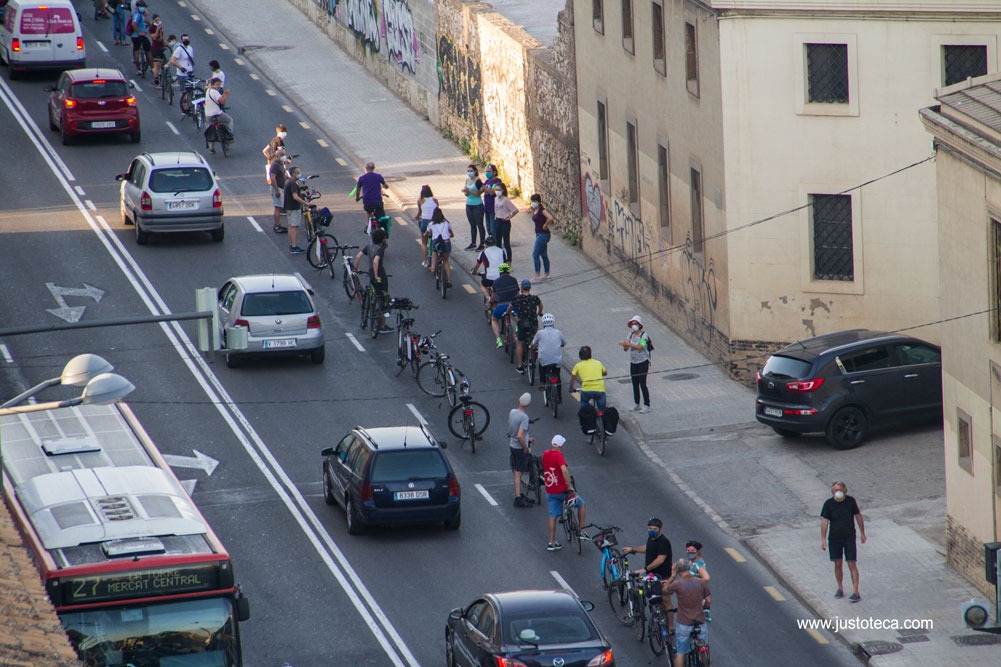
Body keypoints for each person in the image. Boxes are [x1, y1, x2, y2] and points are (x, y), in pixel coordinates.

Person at [820, 480, 866, 602]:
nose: (838, 492)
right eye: (835, 490)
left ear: (844, 490)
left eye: (840, 490)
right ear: (832, 491)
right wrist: (823, 539)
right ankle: (840, 588)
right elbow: (825, 521)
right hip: (835, 538)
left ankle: (856, 591)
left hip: (849, 537)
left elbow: (858, 516)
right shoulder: (828, 504)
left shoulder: (850, 501)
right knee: (837, 563)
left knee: (851, 563)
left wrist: (862, 533)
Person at [542, 435, 586, 551]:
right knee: (581, 504)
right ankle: (582, 531)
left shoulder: (545, 454)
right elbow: (564, 470)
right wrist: (569, 485)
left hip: (550, 491)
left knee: (552, 516)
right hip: (562, 490)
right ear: (561, 446)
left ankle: (551, 542)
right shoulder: (558, 455)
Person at [666, 558, 712, 667]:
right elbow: (709, 601)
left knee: (681, 652)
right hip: (700, 621)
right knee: (703, 647)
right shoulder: (701, 582)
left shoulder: (677, 584)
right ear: (689, 568)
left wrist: (672, 576)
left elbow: (665, 590)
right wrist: (702, 607)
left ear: (677, 570)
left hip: (684, 622)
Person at [354, 228, 393, 333]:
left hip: (370, 272)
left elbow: (358, 256)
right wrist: (377, 276)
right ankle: (382, 325)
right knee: (383, 298)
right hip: (380, 274)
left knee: (374, 292)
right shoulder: (381, 248)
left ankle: (371, 306)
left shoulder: (369, 246)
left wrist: (355, 269)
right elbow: (376, 261)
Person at [508, 279, 542, 375]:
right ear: (530, 288)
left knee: (520, 343)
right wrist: (538, 314)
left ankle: (520, 366)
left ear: (522, 288)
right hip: (533, 324)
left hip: (522, 324)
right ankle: (533, 359)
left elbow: (510, 307)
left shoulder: (517, 298)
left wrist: (507, 313)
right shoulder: (535, 298)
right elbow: (541, 306)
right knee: (534, 341)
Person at [619, 315, 651, 413]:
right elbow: (626, 349)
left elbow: (640, 347)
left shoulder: (644, 336)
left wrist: (628, 344)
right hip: (634, 362)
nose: (634, 325)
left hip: (643, 362)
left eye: (636, 323)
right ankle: (636, 403)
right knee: (634, 383)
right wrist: (624, 344)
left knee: (642, 383)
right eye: (633, 323)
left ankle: (647, 404)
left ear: (640, 325)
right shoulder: (630, 335)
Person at [508, 392, 535, 508]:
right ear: (528, 404)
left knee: (516, 470)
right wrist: (525, 448)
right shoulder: (524, 417)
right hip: (519, 447)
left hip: (512, 445)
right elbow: (520, 436)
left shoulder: (512, 412)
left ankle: (518, 495)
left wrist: (528, 438)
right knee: (519, 472)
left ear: (519, 400)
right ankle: (518, 497)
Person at [531, 313, 566, 400]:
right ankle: (560, 397)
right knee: (557, 376)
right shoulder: (558, 332)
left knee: (541, 366)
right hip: (557, 360)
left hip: (544, 360)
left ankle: (542, 383)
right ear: (553, 322)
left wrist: (530, 346)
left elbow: (533, 343)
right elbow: (564, 343)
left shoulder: (539, 333)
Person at [569, 345, 608, 418]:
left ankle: (585, 417)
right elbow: (605, 373)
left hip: (587, 390)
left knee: (583, 402)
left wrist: (571, 388)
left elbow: (572, 378)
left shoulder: (578, 366)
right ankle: (603, 421)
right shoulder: (598, 363)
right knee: (602, 410)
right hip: (600, 390)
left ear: (580, 356)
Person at [490, 263, 519, 348]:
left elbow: (493, 297)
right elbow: (518, 294)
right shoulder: (514, 280)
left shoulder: (496, 282)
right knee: (520, 316)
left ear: (500, 272)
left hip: (501, 307)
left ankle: (498, 340)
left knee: (494, 319)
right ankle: (517, 330)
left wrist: (491, 301)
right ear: (509, 272)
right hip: (513, 306)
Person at [471, 236, 507, 301]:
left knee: (482, 284)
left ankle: (488, 299)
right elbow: (506, 265)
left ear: (486, 244)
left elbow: (477, 265)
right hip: (501, 277)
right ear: (495, 243)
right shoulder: (501, 251)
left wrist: (474, 272)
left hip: (489, 278)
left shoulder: (483, 252)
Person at [283, 165, 308, 254]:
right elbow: (295, 196)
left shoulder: (288, 181)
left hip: (288, 207)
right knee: (294, 227)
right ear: (293, 174)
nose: (299, 174)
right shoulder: (293, 183)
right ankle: (294, 246)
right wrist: (306, 204)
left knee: (290, 226)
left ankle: (291, 244)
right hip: (294, 208)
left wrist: (301, 192)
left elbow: (293, 193)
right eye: (297, 172)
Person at [530, 193, 555, 281]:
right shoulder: (535, 210)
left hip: (543, 234)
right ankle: (547, 274)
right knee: (543, 254)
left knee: (535, 254)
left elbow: (550, 218)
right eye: (532, 201)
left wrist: (545, 224)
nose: (533, 203)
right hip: (539, 234)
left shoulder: (542, 210)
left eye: (534, 201)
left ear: (539, 202)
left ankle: (537, 275)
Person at [427, 207, 454, 288]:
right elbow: (452, 234)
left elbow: (427, 233)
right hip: (446, 242)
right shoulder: (446, 223)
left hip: (436, 242)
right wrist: (450, 235)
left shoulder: (431, 224)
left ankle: (433, 267)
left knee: (434, 253)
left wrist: (427, 234)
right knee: (446, 261)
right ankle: (449, 280)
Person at [492, 182, 518, 265]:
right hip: (497, 220)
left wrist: (509, 217)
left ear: (503, 190)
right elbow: (495, 210)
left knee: (506, 242)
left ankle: (509, 262)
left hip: (504, 222)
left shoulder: (506, 200)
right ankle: (500, 261)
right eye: (496, 190)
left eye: (499, 190)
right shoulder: (495, 199)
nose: (497, 191)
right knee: (498, 242)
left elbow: (515, 210)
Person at [355, 162, 388, 227]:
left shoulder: (362, 178)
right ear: (374, 168)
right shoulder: (378, 176)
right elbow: (385, 185)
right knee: (380, 214)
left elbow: (358, 190)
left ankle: (367, 226)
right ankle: (382, 228)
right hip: (377, 202)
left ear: (366, 168)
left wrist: (357, 197)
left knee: (368, 212)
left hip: (367, 201)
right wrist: (385, 186)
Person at [461, 164, 485, 250]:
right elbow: (466, 194)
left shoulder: (478, 181)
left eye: (471, 171)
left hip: (477, 205)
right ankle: (473, 242)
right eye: (468, 171)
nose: (469, 173)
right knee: (472, 225)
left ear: (475, 171)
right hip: (469, 204)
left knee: (479, 224)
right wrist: (466, 192)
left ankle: (482, 243)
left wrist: (469, 191)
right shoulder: (467, 181)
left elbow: (478, 194)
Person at [203, 78, 233, 146]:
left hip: (208, 115)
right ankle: (229, 136)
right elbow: (222, 102)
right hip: (217, 114)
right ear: (213, 84)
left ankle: (211, 147)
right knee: (230, 120)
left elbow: (206, 87)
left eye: (219, 84)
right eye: (217, 84)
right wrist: (225, 95)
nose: (218, 86)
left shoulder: (208, 90)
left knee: (209, 130)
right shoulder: (215, 92)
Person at [416, 185, 438, 267]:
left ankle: (425, 261)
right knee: (434, 239)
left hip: (425, 222)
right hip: (434, 222)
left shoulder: (420, 201)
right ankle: (434, 259)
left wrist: (417, 216)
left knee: (424, 243)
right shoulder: (435, 200)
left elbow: (420, 212)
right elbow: (437, 211)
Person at [269, 146, 288, 234]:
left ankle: (279, 224)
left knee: (279, 207)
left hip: (281, 187)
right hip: (277, 188)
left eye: (284, 154)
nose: (284, 156)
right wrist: (277, 190)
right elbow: (273, 178)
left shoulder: (281, 164)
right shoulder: (275, 165)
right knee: (278, 207)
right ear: (277, 156)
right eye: (282, 155)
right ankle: (277, 225)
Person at [130, 1, 151, 76]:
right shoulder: (137, 15)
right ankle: (152, 67)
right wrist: (139, 32)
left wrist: (150, 23)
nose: (143, 8)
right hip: (139, 36)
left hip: (135, 36)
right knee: (148, 50)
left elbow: (145, 20)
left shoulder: (140, 14)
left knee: (136, 50)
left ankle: (138, 70)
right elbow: (134, 24)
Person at [483, 164, 502, 237]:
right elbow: (481, 190)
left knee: (493, 227)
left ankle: (495, 242)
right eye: (486, 171)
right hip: (486, 207)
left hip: (493, 208)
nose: (487, 173)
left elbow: (491, 192)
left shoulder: (497, 182)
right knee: (488, 228)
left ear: (494, 172)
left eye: (489, 171)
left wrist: (483, 186)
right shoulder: (487, 181)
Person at [148, 14, 164, 84]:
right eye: (156, 20)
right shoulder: (152, 28)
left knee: (161, 63)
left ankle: (160, 75)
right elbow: (154, 37)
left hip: (161, 47)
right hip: (155, 48)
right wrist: (157, 29)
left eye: (159, 20)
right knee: (156, 65)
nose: (158, 21)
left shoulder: (160, 27)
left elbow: (161, 38)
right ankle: (156, 80)